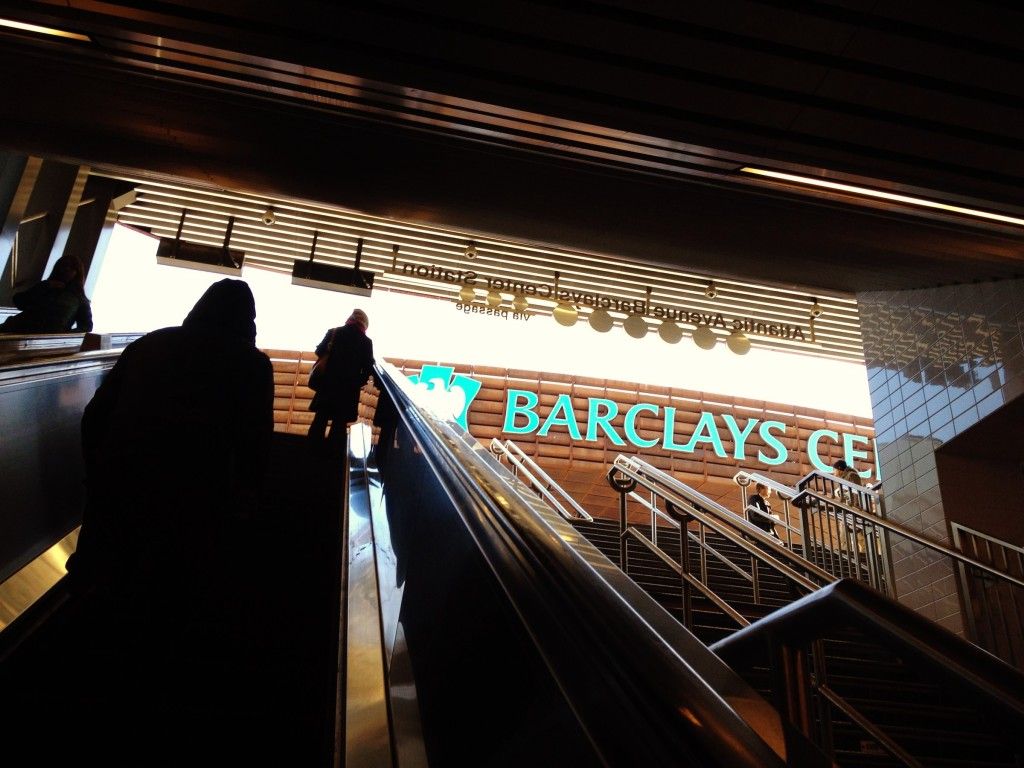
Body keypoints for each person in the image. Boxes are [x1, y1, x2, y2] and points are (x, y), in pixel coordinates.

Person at [66, 278, 274, 595]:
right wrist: (247, 493)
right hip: (193, 494)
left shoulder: (149, 344)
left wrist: (95, 469)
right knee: (165, 586)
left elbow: (95, 414)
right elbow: (254, 439)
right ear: (248, 318)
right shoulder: (253, 364)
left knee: (97, 574)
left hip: (119, 478)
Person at [307, 308, 374, 455]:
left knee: (320, 419)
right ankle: (332, 460)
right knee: (339, 425)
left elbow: (319, 351)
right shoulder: (366, 342)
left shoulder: (334, 332)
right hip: (348, 391)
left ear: (350, 319)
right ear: (364, 324)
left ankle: (310, 454)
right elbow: (369, 368)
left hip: (327, 385)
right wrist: (357, 382)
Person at [0, 253, 93, 333]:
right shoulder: (45, 286)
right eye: (63, 266)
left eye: (70, 268)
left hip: (44, 338)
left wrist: (63, 335)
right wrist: (44, 286)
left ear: (77, 272)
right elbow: (19, 301)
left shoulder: (79, 299)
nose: (65, 270)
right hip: (17, 328)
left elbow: (86, 327)